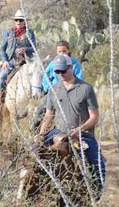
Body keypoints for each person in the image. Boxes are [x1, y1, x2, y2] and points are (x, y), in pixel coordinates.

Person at [37, 54, 105, 193]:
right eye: (57, 71)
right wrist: (41, 134)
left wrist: (79, 129)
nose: (60, 74)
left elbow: (94, 117)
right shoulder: (54, 89)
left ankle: (95, 195)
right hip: (58, 132)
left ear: (71, 67)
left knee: (99, 167)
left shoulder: (86, 88)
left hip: (83, 135)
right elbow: (49, 115)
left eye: (63, 70)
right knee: (34, 155)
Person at [31, 40, 85, 128]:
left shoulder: (74, 63)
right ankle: (35, 129)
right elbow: (45, 77)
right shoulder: (53, 64)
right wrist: (49, 88)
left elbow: (80, 77)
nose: (62, 53)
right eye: (59, 51)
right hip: (55, 91)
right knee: (40, 107)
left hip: (71, 91)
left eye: (64, 51)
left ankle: (81, 128)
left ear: (68, 51)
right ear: (57, 52)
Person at [0, 9, 38, 96]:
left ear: (25, 21)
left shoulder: (30, 33)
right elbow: (2, 48)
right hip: (12, 61)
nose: (18, 22)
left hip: (28, 61)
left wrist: (25, 49)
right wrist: (5, 61)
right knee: (1, 79)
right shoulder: (8, 33)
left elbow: (34, 48)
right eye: (16, 20)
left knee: (39, 75)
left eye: (21, 20)